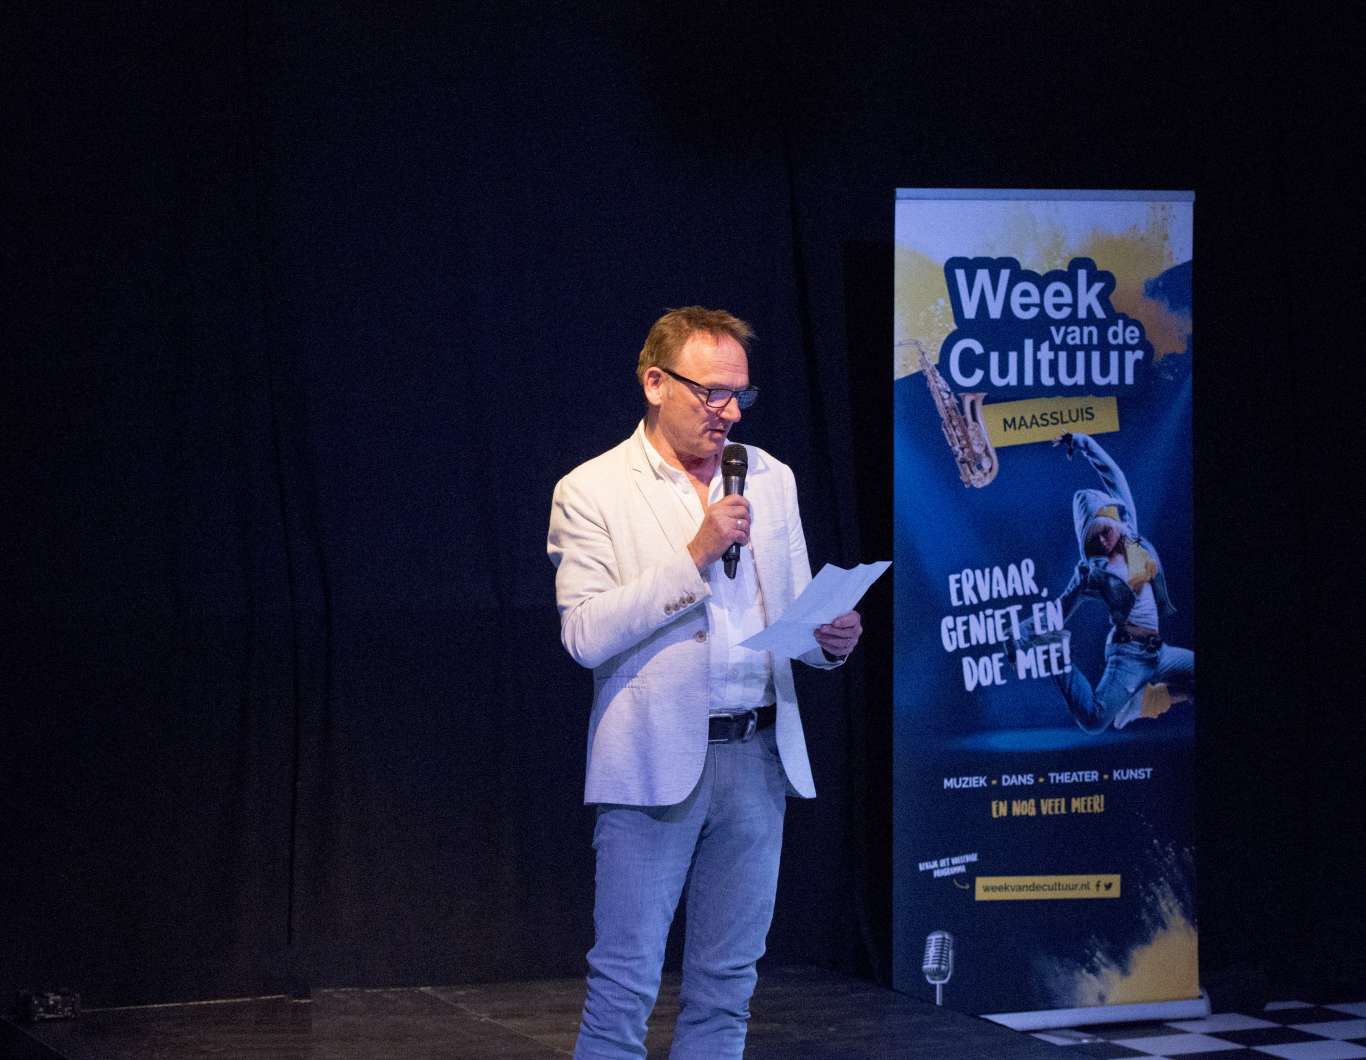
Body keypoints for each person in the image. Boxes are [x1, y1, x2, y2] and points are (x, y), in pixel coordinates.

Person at [547, 307, 862, 1059]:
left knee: (727, 985)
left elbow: (790, 613)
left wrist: (828, 641)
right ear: (656, 383)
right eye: (711, 392)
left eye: (740, 395)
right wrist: (694, 553)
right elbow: (584, 634)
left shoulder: (770, 477)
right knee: (624, 985)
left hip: (757, 756)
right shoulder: (592, 489)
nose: (729, 412)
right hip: (654, 765)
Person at [1014, 431, 1193, 732]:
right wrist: (1020, 635)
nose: (1103, 541)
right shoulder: (1092, 573)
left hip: (1158, 652)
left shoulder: (1131, 536)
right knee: (1093, 721)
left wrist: (1082, 442)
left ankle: (1143, 703)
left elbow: (1114, 475)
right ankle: (1057, 655)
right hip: (1128, 656)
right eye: (1093, 538)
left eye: (1105, 531)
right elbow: (1059, 609)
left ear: (1114, 522)